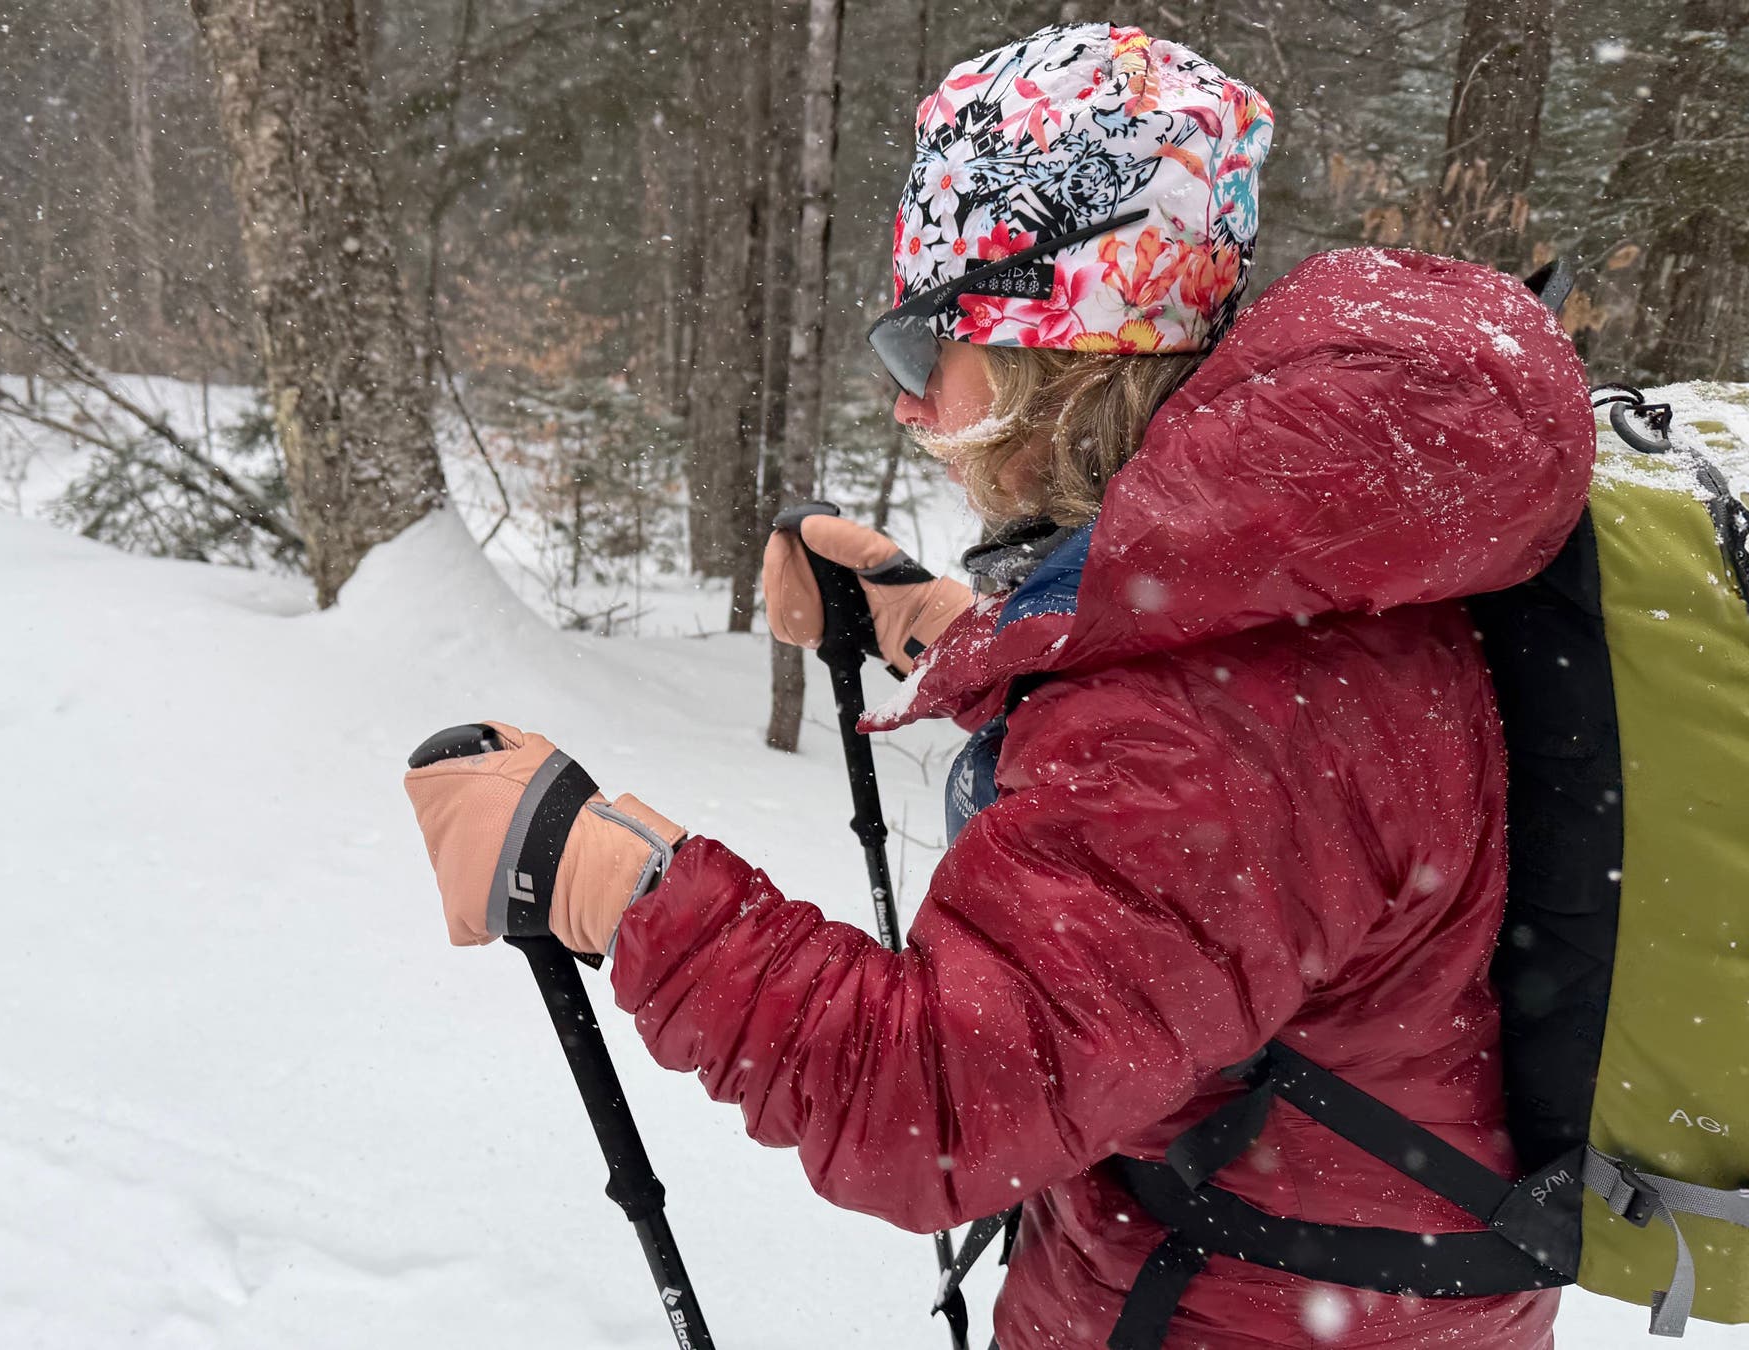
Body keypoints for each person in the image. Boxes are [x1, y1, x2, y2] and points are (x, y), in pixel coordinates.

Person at [404, 23, 1596, 1350]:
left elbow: (940, 1099)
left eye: (923, 349)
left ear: (1057, 343)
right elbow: (1178, 792)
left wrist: (615, 882)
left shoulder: (1210, 720)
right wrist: (944, 627)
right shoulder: (1310, 563)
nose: (906, 407)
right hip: (1295, 1284)